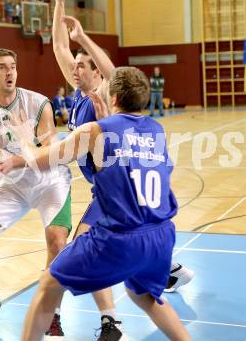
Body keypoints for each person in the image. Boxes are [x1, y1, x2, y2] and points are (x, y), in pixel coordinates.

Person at [49, 0, 194, 340]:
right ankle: (160, 273)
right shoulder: (81, 93)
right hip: (109, 190)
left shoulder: (111, 95)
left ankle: (108, 320)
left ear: (97, 72)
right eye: (76, 66)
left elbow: (112, 70)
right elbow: (58, 49)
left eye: (83, 65)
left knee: (83, 247)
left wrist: (83, 37)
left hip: (119, 190)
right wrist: (60, 3)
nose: (75, 69)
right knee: (141, 288)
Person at [16, 66, 191, 341]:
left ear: (114, 97)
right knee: (145, 296)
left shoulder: (95, 130)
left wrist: (25, 139)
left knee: (50, 281)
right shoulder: (157, 130)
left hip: (121, 239)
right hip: (161, 235)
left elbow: (41, 160)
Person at [0, 48, 72, 326]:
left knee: (57, 241)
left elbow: (49, 150)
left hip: (49, 179)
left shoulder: (38, 104)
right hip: (13, 183)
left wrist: (13, 161)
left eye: (12, 66)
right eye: (2, 67)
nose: (10, 72)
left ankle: (53, 311)